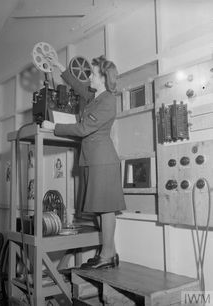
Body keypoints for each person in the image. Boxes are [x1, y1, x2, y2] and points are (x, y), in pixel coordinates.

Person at [42, 55, 126, 269]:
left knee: (105, 209)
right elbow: (77, 85)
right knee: (99, 210)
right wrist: (60, 66)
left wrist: (54, 127)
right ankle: (111, 253)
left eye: (93, 73)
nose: (89, 76)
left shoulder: (107, 100)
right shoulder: (94, 96)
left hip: (103, 161)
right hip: (92, 160)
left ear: (104, 78)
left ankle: (106, 255)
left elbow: (83, 129)